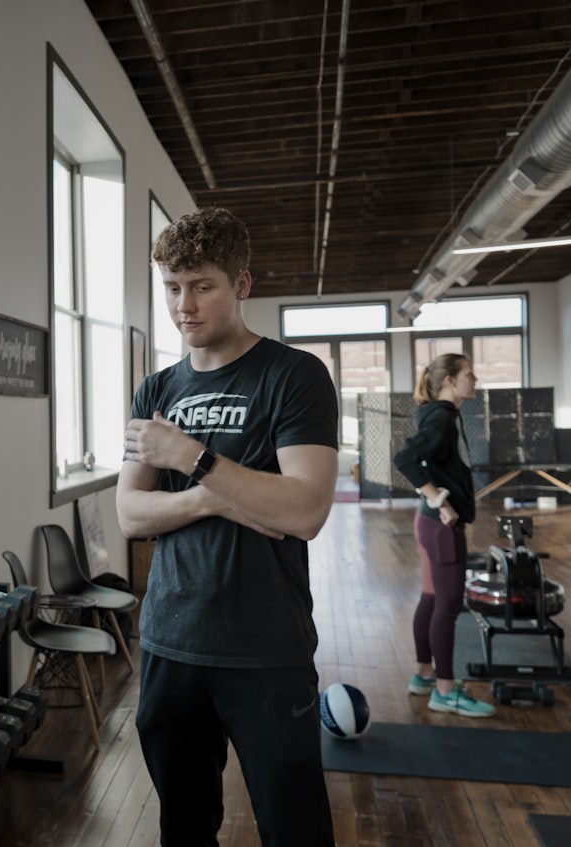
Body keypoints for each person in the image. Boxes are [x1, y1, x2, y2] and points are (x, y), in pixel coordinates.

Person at [116, 207, 339, 847]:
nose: (183, 305)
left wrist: (192, 461)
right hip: (169, 641)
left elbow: (304, 511)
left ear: (242, 285)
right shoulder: (155, 390)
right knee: (183, 830)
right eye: (172, 287)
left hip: (265, 646)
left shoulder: (292, 376)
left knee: (295, 830)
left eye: (201, 285)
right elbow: (131, 515)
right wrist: (218, 500)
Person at [393, 353, 495, 718]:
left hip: (431, 524)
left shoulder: (442, 414)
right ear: (450, 380)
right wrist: (438, 498)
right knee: (448, 606)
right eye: (469, 374)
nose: (475, 379)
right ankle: (446, 692)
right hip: (441, 526)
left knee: (432, 599)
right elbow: (405, 459)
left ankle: (424, 675)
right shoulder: (441, 416)